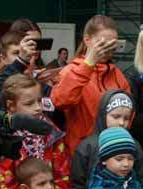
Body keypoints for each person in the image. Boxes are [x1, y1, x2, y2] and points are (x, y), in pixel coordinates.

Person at [52, 14, 130, 155]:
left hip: (113, 151)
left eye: (112, 44)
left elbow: (129, 113)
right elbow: (60, 101)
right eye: (102, 43)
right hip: (82, 152)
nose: (107, 49)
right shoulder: (70, 71)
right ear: (87, 40)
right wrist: (88, 64)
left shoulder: (118, 75)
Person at [0, 73, 71, 189]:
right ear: (11, 106)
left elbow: (62, 176)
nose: (37, 108)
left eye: (39, 101)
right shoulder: (5, 138)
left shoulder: (52, 133)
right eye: (29, 103)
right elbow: (6, 187)